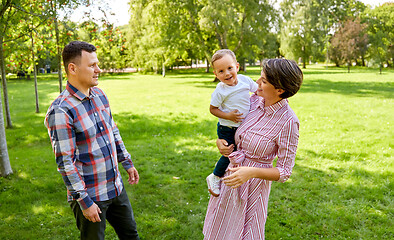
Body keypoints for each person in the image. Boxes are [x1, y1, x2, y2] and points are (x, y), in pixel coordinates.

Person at [44, 41, 140, 240]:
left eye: (97, 64)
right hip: (90, 195)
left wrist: (127, 163)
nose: (98, 69)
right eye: (92, 65)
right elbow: (65, 163)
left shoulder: (100, 95)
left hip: (115, 186)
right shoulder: (61, 110)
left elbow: (113, 132)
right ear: (72, 68)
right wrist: (84, 201)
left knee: (131, 235)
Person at [203, 58, 303, 240]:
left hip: (253, 191)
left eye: (264, 81)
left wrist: (250, 172)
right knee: (219, 233)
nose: (257, 82)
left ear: (280, 90)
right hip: (229, 180)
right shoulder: (254, 101)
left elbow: (285, 171)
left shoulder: (288, 122)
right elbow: (229, 125)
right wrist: (220, 141)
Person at [206, 49, 258, 197]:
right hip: (227, 127)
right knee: (229, 153)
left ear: (237, 66)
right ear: (216, 74)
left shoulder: (245, 80)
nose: (227, 73)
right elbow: (213, 109)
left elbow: (258, 92)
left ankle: (239, 182)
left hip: (242, 127)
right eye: (221, 71)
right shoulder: (220, 90)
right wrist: (228, 116)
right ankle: (215, 176)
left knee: (241, 153)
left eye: (229, 68)